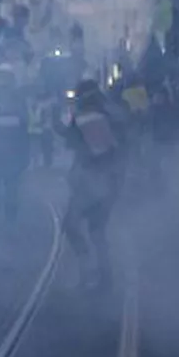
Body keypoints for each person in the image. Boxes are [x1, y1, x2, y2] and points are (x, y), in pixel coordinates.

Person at [56, 79, 124, 290]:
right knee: (97, 230)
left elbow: (75, 141)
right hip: (109, 181)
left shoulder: (86, 117)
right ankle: (105, 275)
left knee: (72, 224)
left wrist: (55, 121)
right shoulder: (109, 113)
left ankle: (88, 272)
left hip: (93, 182)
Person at [0, 65, 31, 223]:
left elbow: (24, 125)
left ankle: (3, 211)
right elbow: (24, 124)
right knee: (8, 184)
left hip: (5, 151)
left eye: (5, 77)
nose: (4, 81)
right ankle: (5, 211)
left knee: (7, 184)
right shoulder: (16, 97)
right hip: (6, 151)